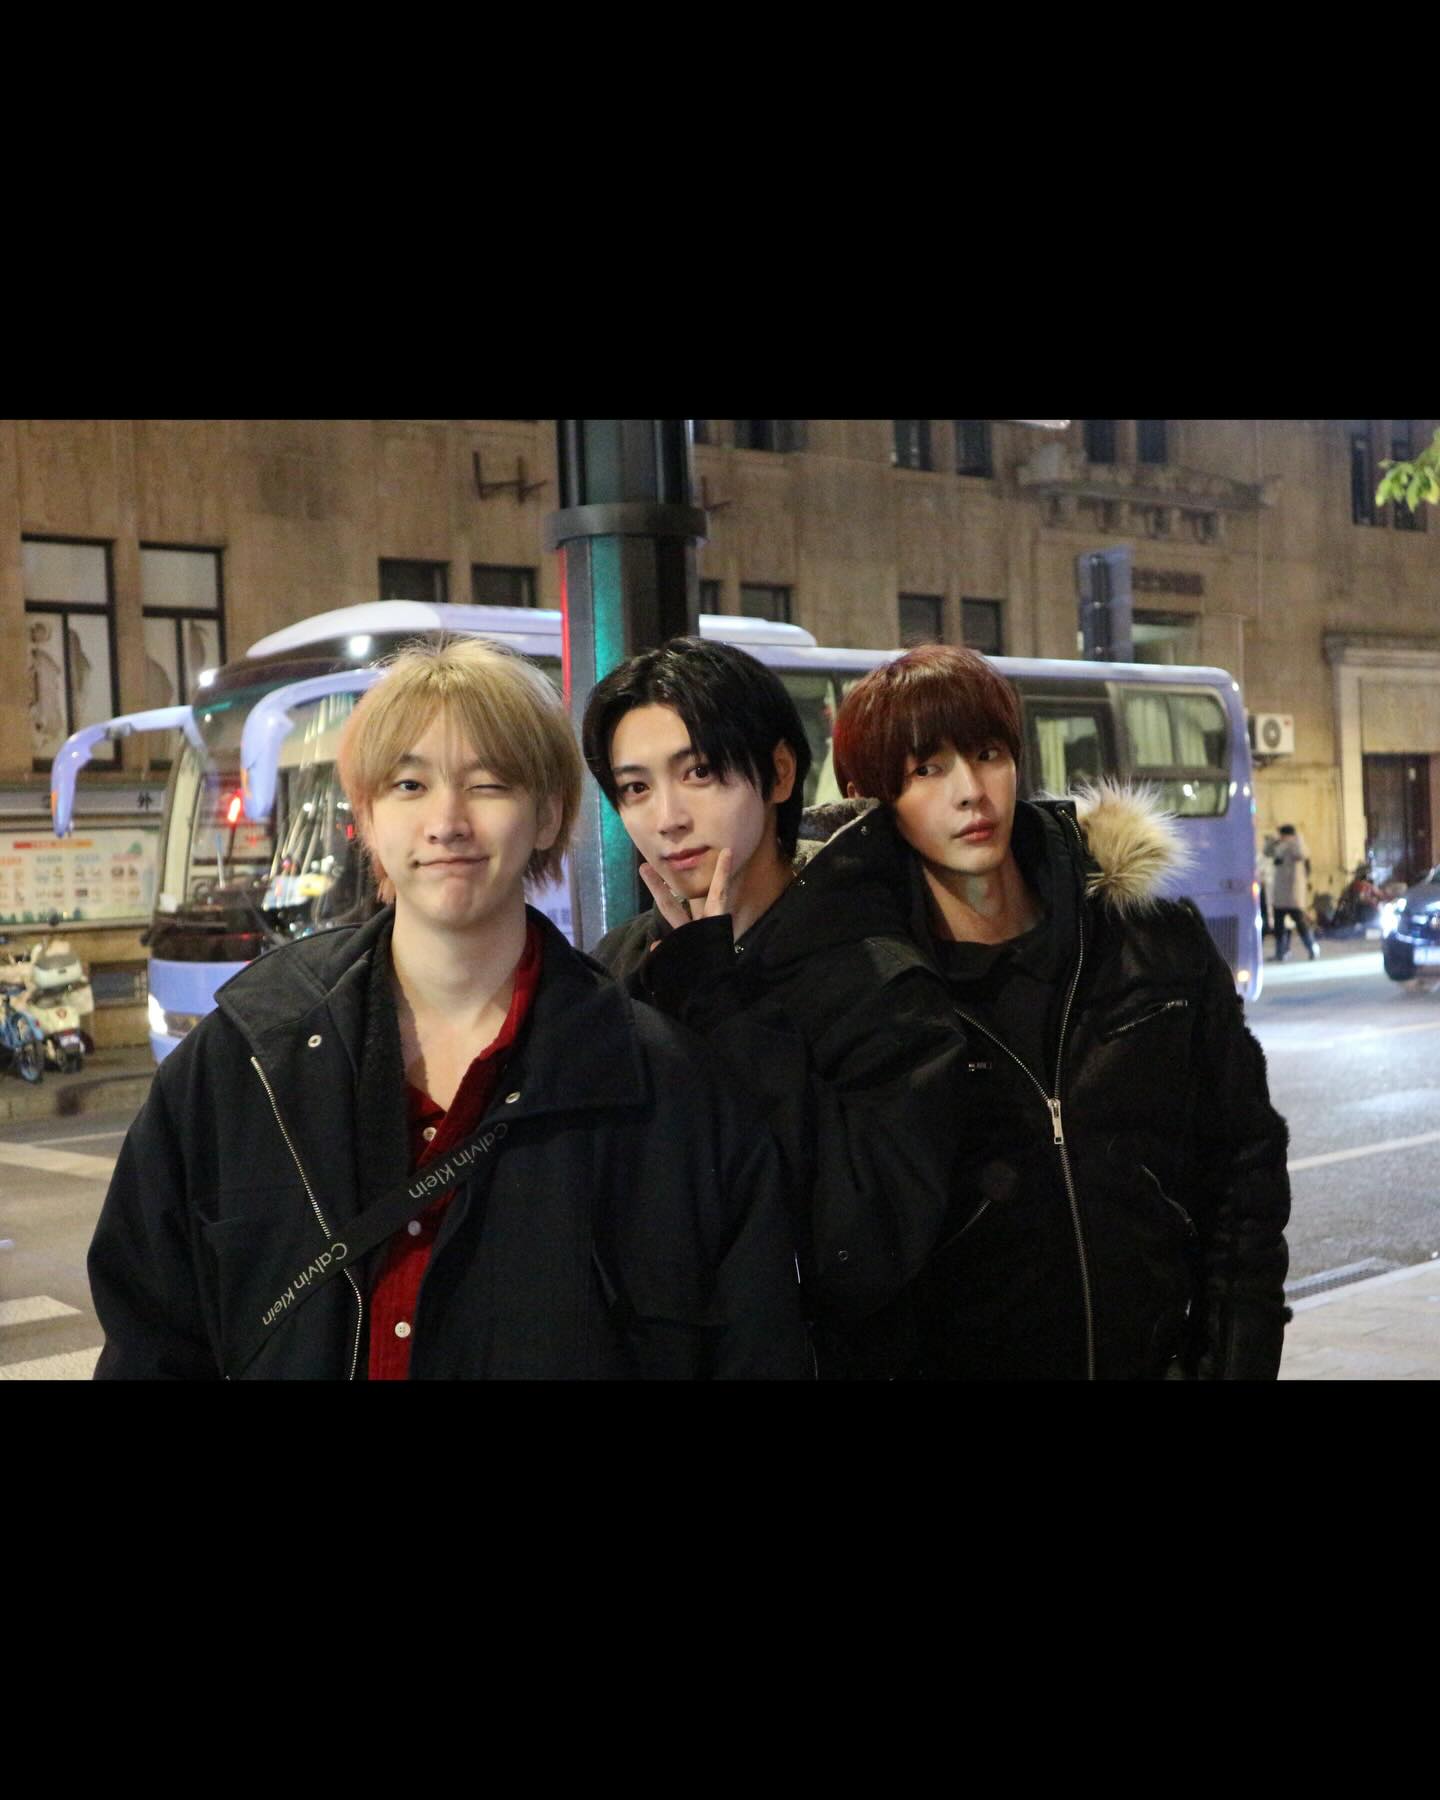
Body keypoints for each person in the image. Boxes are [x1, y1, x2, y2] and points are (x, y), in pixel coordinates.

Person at [88, 636, 810, 1380]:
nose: (447, 822)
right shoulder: (244, 1060)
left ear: (549, 815)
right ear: (367, 817)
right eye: (409, 785)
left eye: (488, 784)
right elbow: (150, 1337)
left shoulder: (665, 1089)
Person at [587, 638, 1292, 1379]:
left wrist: (1236, 1357)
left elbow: (1244, 1166)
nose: (969, 792)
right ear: (870, 800)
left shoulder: (1139, 940)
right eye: (924, 770)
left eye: (988, 754)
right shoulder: (880, 965)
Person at [1271, 823, 1318, 961]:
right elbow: (1267, 852)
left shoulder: (1296, 846)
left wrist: (1297, 839)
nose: (1281, 837)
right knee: (1279, 925)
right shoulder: (1279, 847)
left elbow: (1302, 854)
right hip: (1280, 894)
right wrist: (1271, 841)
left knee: (1300, 923)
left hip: (1293, 894)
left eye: (1282, 835)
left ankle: (1312, 947)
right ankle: (1281, 952)